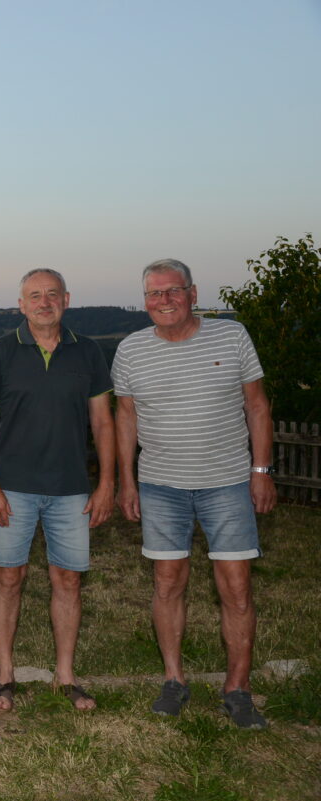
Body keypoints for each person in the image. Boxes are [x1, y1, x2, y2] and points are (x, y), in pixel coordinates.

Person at [113, 259, 275, 729]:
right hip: (161, 484)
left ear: (193, 293)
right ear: (144, 300)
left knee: (237, 588)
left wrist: (260, 470)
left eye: (172, 291)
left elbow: (257, 405)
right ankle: (174, 680)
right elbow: (126, 417)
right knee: (168, 582)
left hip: (227, 481)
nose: (163, 301)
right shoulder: (130, 350)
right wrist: (127, 480)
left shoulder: (232, 336)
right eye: (153, 294)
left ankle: (238, 689)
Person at [0, 269, 115, 712]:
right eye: (35, 295)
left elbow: (103, 422)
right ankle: (4, 674)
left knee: (68, 579)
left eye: (52, 294)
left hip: (71, 489)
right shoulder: (1, 351)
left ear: (66, 299)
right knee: (8, 577)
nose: (44, 302)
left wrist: (107, 482)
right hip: (12, 488)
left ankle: (66, 676)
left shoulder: (87, 352)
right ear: (21, 305)